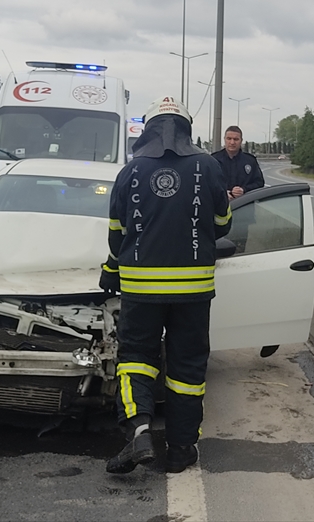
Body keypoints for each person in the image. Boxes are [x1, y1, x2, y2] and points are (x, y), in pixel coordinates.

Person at [102, 96, 231, 475]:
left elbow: (117, 235)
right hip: (193, 292)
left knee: (136, 361)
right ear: (187, 129)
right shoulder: (207, 167)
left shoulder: (130, 171)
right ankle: (180, 451)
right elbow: (223, 225)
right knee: (187, 370)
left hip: (140, 291)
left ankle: (140, 433)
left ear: (148, 130)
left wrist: (112, 268)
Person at [210, 125, 264, 200]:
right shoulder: (213, 159)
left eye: (236, 139)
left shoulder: (250, 161)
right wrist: (223, 192)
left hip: (244, 205)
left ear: (241, 141)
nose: (232, 142)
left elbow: (259, 183)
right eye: (229, 139)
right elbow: (207, 182)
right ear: (224, 139)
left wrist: (244, 189)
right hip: (220, 204)